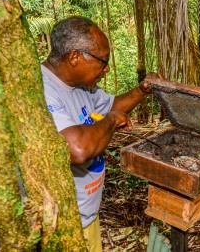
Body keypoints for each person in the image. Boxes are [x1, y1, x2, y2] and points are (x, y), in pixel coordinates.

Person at [41, 16, 158, 251]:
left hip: (86, 216)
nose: (107, 68)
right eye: (102, 61)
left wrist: (143, 90)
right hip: (60, 226)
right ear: (75, 56)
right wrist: (112, 121)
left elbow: (112, 105)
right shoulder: (41, 89)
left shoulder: (82, 85)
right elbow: (76, 149)